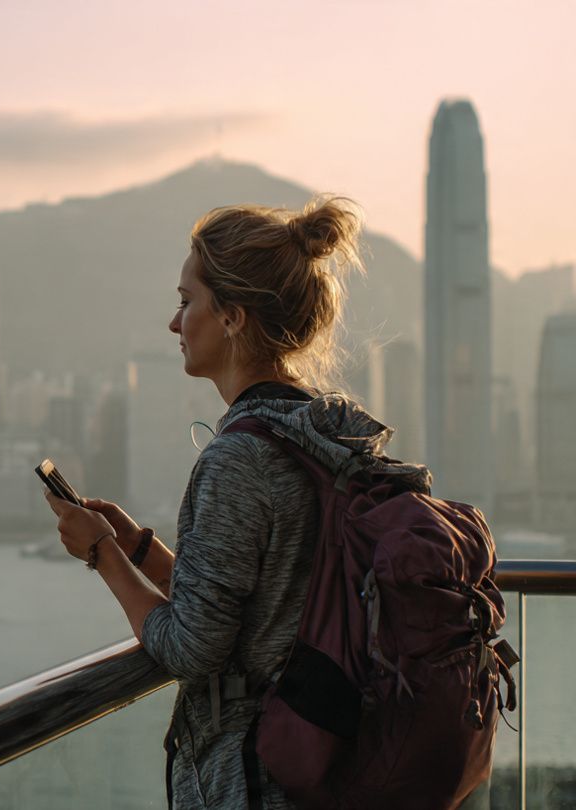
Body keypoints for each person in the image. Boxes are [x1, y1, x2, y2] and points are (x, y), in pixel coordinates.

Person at [44, 195, 430, 808]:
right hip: (334, 754)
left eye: (186, 300)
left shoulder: (238, 459)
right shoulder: (324, 435)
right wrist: (142, 551)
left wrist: (102, 556)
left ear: (232, 317)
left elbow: (193, 650)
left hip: (262, 776)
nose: (174, 323)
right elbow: (267, 603)